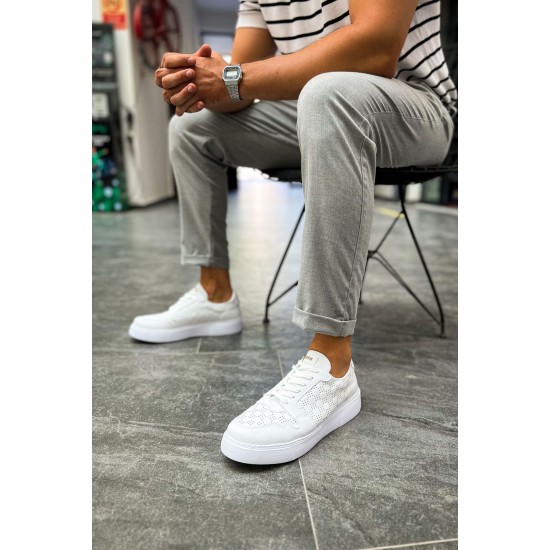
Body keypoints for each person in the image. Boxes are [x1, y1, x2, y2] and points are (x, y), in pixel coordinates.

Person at [128, 0, 457, 465]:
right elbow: (239, 87)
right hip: (312, 105)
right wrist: (199, 82)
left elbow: (375, 49)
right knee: (195, 128)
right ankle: (214, 295)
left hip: (415, 106)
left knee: (328, 94)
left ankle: (332, 365)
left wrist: (232, 76)